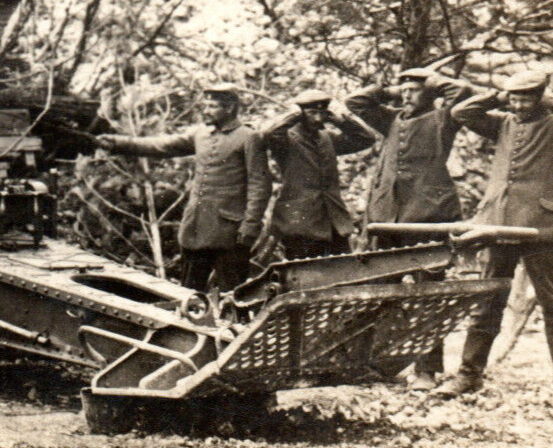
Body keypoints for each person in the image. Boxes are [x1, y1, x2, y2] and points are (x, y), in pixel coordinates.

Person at [435, 71, 553, 401]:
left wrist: (549, 97)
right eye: (514, 99)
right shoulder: (503, 122)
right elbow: (461, 113)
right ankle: (468, 375)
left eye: (526, 98)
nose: (519, 105)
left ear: (539, 98)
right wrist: (499, 95)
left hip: (541, 227)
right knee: (488, 302)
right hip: (498, 224)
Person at [347, 67, 477, 390]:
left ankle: (426, 371)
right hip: (387, 217)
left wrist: (431, 83)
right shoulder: (391, 119)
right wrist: (390, 90)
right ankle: (369, 366)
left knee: (428, 293)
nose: (407, 95)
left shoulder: (442, 119)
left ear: (430, 93)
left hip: (428, 215)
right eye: (403, 90)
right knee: (376, 290)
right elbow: (355, 102)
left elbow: (462, 92)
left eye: (413, 90)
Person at [96, 82, 270, 291]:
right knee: (187, 294)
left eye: (212, 106)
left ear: (230, 108)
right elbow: (162, 145)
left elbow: (260, 186)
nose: (206, 111)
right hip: (195, 229)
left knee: (232, 296)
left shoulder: (249, 138)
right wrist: (117, 143)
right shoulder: (201, 134)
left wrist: (250, 226)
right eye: (205, 105)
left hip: (230, 233)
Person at [263, 89, 376, 259]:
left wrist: (341, 120)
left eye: (322, 113)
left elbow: (367, 138)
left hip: (334, 223)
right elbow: (267, 133)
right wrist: (293, 115)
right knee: (305, 277)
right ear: (301, 114)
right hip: (300, 225)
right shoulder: (285, 139)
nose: (318, 118)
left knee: (343, 275)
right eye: (311, 113)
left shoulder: (327, 137)